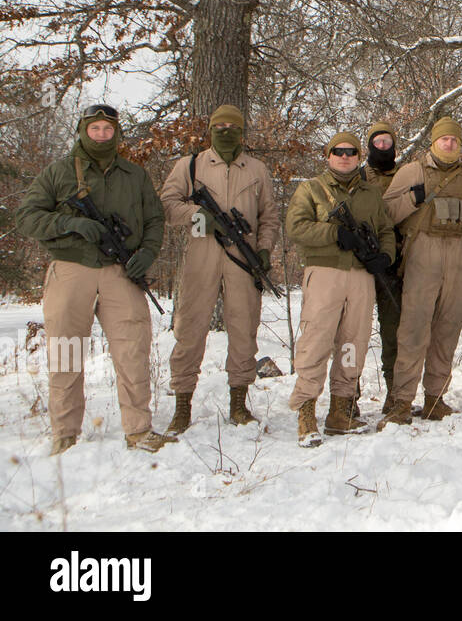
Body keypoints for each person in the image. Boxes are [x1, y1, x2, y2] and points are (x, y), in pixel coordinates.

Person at [16, 103, 174, 454]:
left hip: (121, 271)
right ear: (83, 130)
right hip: (72, 269)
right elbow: (26, 217)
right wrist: (69, 223)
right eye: (95, 129)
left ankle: (138, 430)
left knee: (132, 350)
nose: (101, 135)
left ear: (116, 133)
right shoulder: (58, 173)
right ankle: (65, 433)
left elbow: (154, 220)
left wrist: (147, 253)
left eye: (107, 129)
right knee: (67, 350)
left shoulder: (135, 175)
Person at [159, 104, 279, 433]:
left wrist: (265, 249)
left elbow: (269, 216)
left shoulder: (257, 169)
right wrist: (199, 215)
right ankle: (182, 404)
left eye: (232, 126)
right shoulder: (191, 165)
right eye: (219, 126)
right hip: (202, 255)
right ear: (210, 130)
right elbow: (168, 205)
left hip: (244, 256)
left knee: (244, 329)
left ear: (242, 132)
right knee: (190, 328)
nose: (225, 131)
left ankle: (238, 403)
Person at [285, 132, 396, 446]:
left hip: (360, 276)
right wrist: (334, 234)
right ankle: (306, 411)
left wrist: (385, 256)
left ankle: (341, 410)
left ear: (359, 156)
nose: (345, 156)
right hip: (325, 272)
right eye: (338, 151)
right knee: (316, 339)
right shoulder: (311, 189)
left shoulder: (371, 194)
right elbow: (295, 227)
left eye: (351, 152)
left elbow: (386, 229)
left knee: (353, 341)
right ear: (328, 155)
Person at [379, 118, 462, 426]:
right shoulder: (412, 172)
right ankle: (401, 402)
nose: (449, 144)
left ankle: (435, 399)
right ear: (433, 143)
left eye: (454, 140)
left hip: (458, 258)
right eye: (444, 140)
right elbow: (385, 214)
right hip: (422, 256)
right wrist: (414, 198)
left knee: (446, 333)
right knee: (413, 331)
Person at [360, 121, 403, 408]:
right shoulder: (358, 175)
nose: (383, 147)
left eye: (387, 142)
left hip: (396, 263)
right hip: (361, 264)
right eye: (378, 142)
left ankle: (395, 393)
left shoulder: (407, 174)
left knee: (393, 332)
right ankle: (347, 395)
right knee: (354, 331)